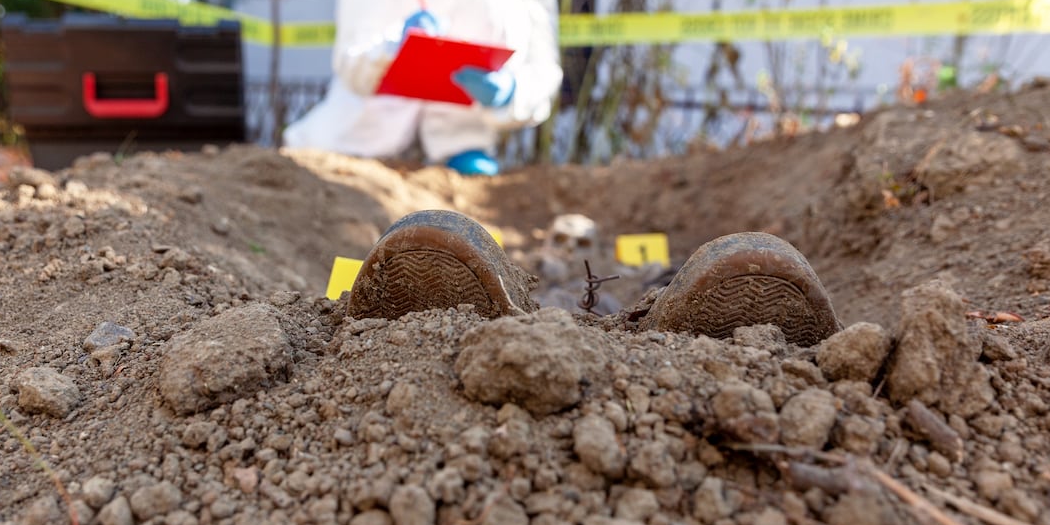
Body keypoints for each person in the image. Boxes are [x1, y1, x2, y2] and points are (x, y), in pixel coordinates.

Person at [283, 0, 562, 176]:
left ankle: (461, 144)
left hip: (460, 157)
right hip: (359, 136)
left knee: (502, 7)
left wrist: (512, 93)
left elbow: (544, 69)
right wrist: (393, 46)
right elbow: (350, 56)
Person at [346, 210, 842, 346]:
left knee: (662, 288)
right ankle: (508, 309)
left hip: (622, 307)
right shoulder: (547, 268)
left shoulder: (618, 272)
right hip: (541, 301)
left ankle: (661, 328)